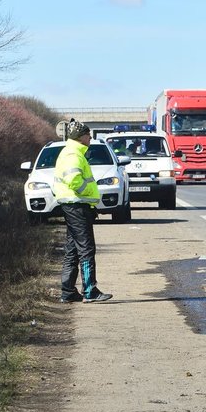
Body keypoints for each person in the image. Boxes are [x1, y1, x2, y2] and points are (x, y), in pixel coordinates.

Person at [54, 121, 113, 303]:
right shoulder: (74, 155)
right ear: (81, 137)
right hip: (77, 205)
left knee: (72, 249)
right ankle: (90, 290)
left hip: (72, 205)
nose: (91, 138)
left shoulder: (71, 152)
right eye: (88, 135)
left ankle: (68, 291)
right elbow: (75, 181)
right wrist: (88, 193)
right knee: (86, 248)